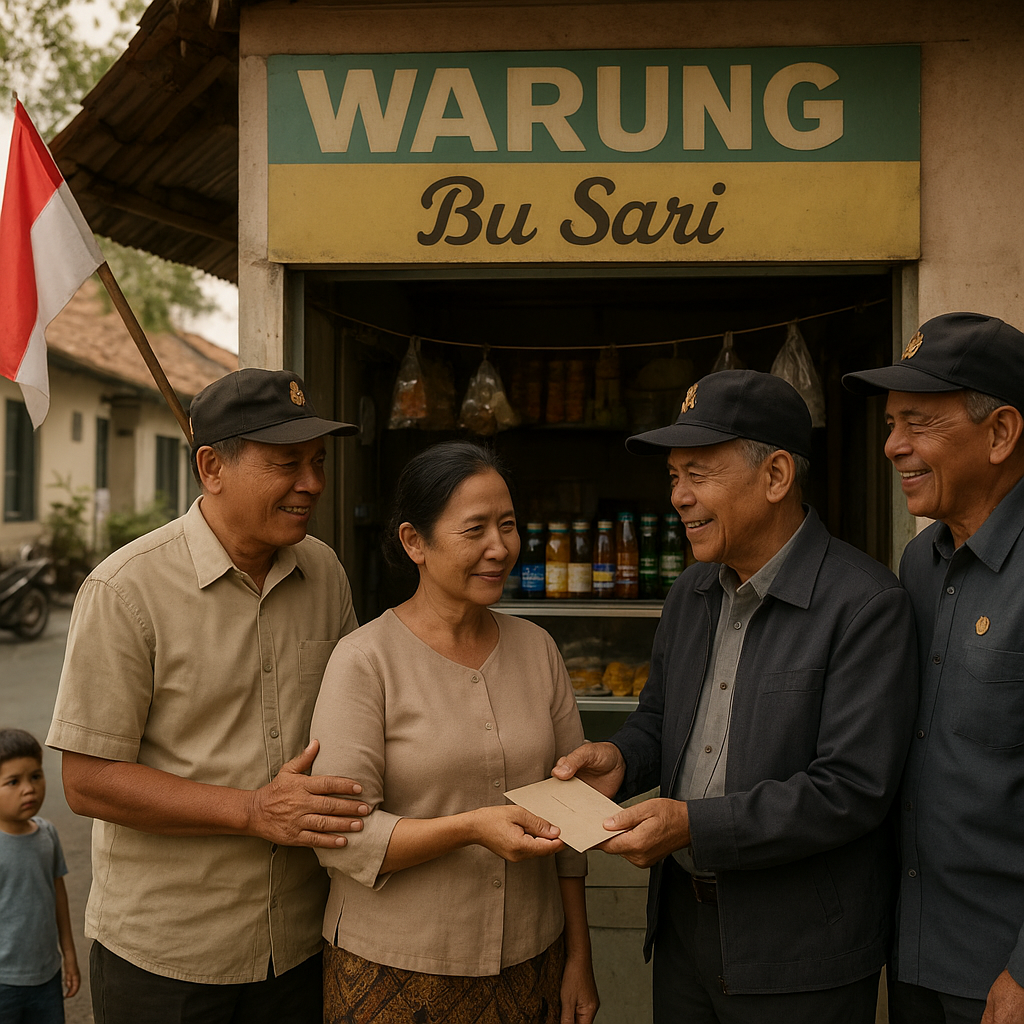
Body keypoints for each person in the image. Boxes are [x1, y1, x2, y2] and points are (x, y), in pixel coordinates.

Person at [552, 369, 918, 1024]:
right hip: (684, 931)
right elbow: (662, 719)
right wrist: (621, 759)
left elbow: (850, 790)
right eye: (673, 477)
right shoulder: (691, 594)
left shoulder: (864, 606)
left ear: (776, 476)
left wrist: (694, 824)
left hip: (800, 951)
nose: (679, 498)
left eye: (699, 473)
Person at [46, 368, 369, 1024]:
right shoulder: (125, 591)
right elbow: (86, 783)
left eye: (318, 462)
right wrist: (252, 810)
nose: (311, 484)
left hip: (304, 944)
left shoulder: (325, 571)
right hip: (170, 957)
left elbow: (359, 721)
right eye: (286, 464)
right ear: (212, 467)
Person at [309, 440, 599, 1024]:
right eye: (475, 530)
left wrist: (579, 956)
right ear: (414, 541)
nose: (500, 548)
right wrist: (470, 828)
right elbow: (341, 835)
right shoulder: (364, 660)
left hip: (530, 959)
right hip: (395, 969)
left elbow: (573, 818)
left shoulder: (537, 649)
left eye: (509, 526)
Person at [844, 311, 1024, 1024]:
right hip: (915, 950)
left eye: (919, 422)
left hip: (1001, 968)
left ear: (1002, 432)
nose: (893, 446)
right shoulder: (921, 561)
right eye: (891, 423)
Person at [0, 728, 79, 1024]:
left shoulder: (47, 834)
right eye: (13, 782)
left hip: (47, 975)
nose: (29, 789)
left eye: (35, 776)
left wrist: (68, 953)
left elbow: (58, 896)